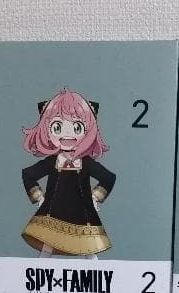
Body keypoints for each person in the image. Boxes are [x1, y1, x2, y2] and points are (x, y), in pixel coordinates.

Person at [19, 90, 115, 258]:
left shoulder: (86, 162)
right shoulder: (52, 161)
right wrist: (39, 197)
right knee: (47, 248)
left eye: (77, 127)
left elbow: (108, 177)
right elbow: (28, 174)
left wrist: (95, 197)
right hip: (53, 213)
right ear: (46, 131)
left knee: (90, 252)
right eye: (58, 127)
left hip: (83, 214)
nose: (68, 134)